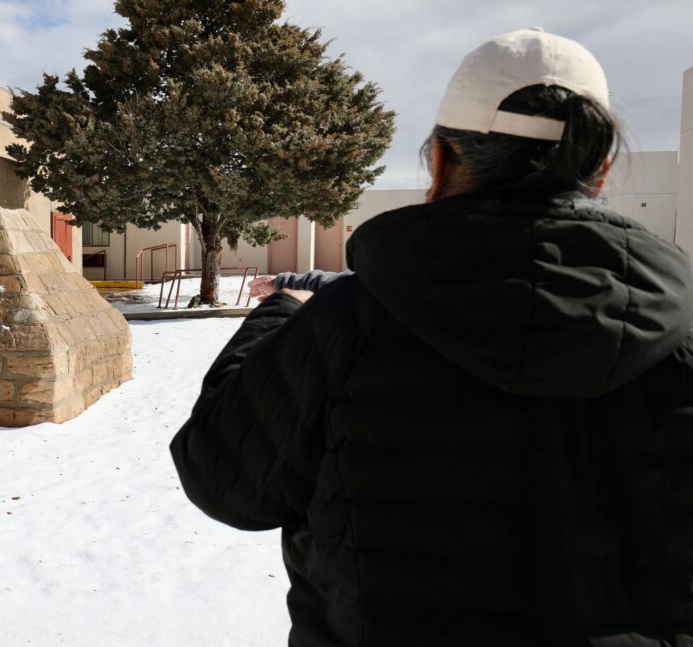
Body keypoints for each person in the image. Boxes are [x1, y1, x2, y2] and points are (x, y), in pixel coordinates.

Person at [170, 28, 693, 647]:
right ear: (600, 171)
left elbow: (223, 478)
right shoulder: (680, 340)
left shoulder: (348, 325)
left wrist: (280, 313)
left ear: (443, 158)